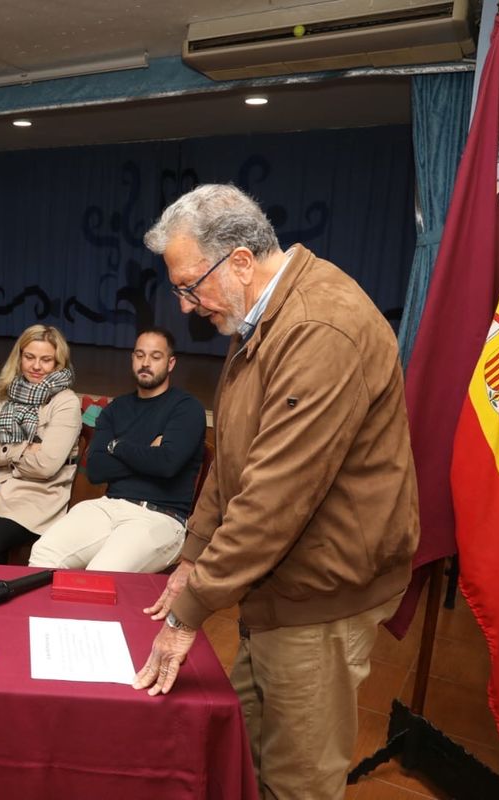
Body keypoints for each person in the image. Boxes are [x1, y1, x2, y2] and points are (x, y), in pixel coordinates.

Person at [135, 183, 419, 799]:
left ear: (240, 260)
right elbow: (234, 460)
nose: (185, 307)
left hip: (322, 597)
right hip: (276, 588)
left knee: (296, 783)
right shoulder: (260, 315)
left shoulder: (319, 327)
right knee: (243, 758)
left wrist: (188, 614)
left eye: (189, 287)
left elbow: (273, 499)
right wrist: (192, 557)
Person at [28, 328, 205, 573]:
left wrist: (117, 446)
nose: (145, 363)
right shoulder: (115, 409)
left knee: (101, 572)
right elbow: (97, 470)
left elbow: (167, 464)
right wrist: (147, 452)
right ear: (132, 358)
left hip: (160, 516)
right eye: (140, 355)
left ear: (171, 363)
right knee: (43, 552)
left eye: (155, 356)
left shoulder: (186, 408)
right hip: (109, 506)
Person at [0, 324, 82, 564]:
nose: (36, 366)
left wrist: (5, 455)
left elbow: (46, 466)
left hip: (38, 496)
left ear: (58, 363)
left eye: (46, 360)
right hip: (0, 485)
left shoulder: (66, 402)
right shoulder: (10, 393)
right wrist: (24, 449)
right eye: (29, 357)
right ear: (19, 358)